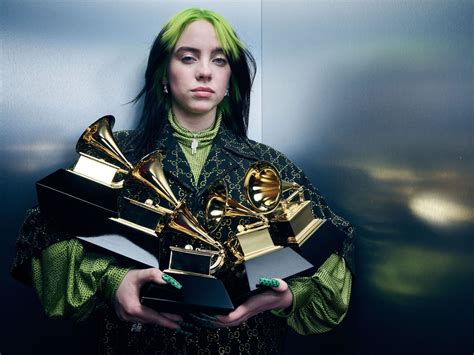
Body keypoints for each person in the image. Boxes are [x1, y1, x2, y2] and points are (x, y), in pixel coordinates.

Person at [11, 8, 354, 354]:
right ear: (164, 75)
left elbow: (330, 255)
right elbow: (46, 234)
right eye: (188, 58)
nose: (205, 71)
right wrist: (112, 281)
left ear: (230, 82)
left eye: (219, 61)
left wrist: (291, 296)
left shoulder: (272, 167)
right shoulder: (116, 153)